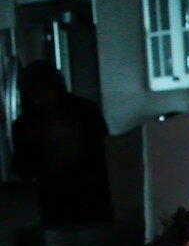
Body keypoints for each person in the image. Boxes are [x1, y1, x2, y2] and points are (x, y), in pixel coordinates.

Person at [10, 59, 113, 225]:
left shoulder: (84, 112)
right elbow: (22, 168)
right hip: (58, 200)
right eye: (35, 93)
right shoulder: (26, 124)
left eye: (45, 90)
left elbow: (103, 153)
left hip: (87, 195)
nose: (41, 98)